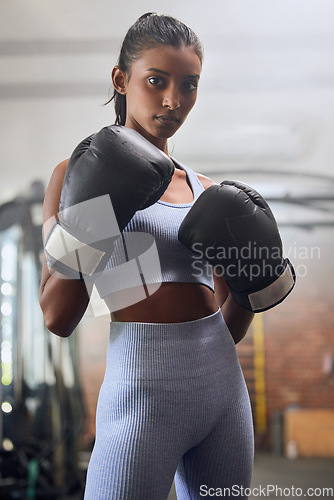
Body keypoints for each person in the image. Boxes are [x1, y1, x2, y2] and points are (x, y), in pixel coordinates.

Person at [39, 13, 295, 500]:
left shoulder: (205, 191)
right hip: (140, 392)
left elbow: (230, 324)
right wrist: (101, 211)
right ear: (121, 79)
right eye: (156, 80)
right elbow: (57, 314)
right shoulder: (74, 175)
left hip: (222, 393)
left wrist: (253, 279)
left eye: (189, 85)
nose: (173, 101)